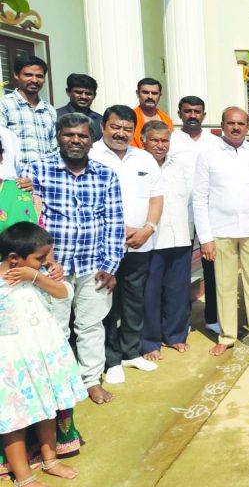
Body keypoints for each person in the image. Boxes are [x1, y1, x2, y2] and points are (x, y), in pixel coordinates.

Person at [26, 113, 125, 404]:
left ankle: (90, 380)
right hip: (51, 268)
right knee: (54, 328)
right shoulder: (36, 171)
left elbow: (114, 222)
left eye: (82, 135)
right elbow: (30, 218)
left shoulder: (106, 175)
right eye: (69, 134)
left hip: (93, 266)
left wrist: (110, 266)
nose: (76, 140)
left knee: (91, 326)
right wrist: (43, 262)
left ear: (92, 140)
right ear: (58, 136)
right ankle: (58, 382)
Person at [0, 222, 87, 487]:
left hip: (44, 354)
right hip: (12, 364)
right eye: (40, 258)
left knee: (50, 406)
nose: (46, 261)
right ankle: (24, 479)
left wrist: (37, 275)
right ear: (14, 258)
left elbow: (62, 293)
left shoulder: (36, 276)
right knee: (15, 418)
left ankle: (50, 460)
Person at [91, 105, 164, 384]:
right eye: (115, 127)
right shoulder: (91, 154)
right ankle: (111, 360)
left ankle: (131, 352)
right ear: (103, 127)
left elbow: (156, 197)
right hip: (102, 246)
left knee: (134, 299)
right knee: (106, 301)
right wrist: (115, 231)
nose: (121, 133)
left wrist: (149, 228)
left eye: (127, 129)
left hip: (139, 243)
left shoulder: (144, 158)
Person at [193, 107, 249, 357]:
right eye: (231, 123)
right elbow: (199, 198)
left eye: (240, 123)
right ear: (222, 125)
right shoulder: (208, 154)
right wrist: (205, 238)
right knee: (224, 285)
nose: (236, 127)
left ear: (247, 126)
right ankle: (226, 336)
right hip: (221, 230)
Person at [140, 121, 195, 360]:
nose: (160, 145)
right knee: (150, 293)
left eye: (164, 140)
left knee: (178, 290)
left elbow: (190, 199)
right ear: (143, 140)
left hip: (180, 236)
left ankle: (175, 335)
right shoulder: (138, 165)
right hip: (150, 240)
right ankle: (150, 341)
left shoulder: (179, 166)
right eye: (155, 140)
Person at [169, 96, 221, 333]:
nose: (192, 115)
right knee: (180, 270)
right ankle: (181, 321)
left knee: (212, 268)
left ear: (204, 115)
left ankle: (212, 318)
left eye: (197, 111)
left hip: (211, 213)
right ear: (179, 114)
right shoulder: (171, 140)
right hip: (180, 213)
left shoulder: (215, 142)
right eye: (187, 111)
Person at [0, 55, 57, 167]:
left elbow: (54, 147)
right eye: (28, 75)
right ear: (16, 75)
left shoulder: (49, 110)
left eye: (39, 76)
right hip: (15, 175)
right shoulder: (4, 104)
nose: (34, 80)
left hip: (44, 174)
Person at [55, 74, 103, 141]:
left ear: (94, 95)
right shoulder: (55, 117)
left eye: (88, 93)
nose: (83, 97)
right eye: (78, 92)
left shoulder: (101, 121)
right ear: (68, 92)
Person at [131, 78, 173, 148]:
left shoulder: (166, 119)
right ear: (137, 94)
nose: (150, 97)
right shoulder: (130, 117)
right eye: (145, 92)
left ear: (160, 95)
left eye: (154, 93)